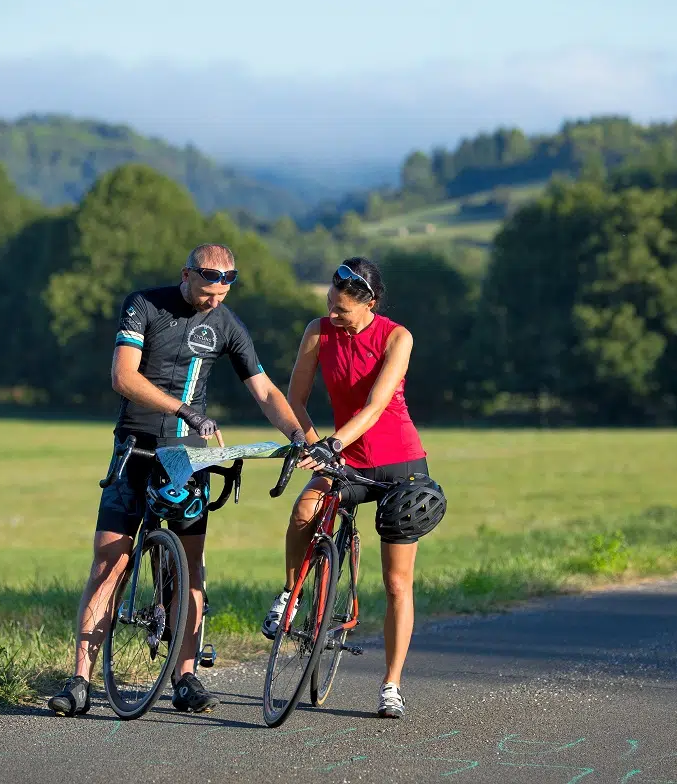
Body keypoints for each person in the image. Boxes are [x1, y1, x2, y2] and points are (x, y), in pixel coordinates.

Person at [49, 243, 306, 717]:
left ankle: (185, 676)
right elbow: (123, 377)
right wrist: (182, 409)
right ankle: (80, 680)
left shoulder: (227, 323)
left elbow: (265, 389)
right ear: (185, 274)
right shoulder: (144, 305)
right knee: (109, 560)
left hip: (186, 457)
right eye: (206, 292)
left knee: (190, 567)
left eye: (222, 294)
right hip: (136, 445)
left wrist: (298, 434)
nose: (214, 302)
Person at [262, 257, 439, 720]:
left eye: (342, 309)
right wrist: (318, 445)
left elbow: (378, 405)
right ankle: (292, 593)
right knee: (305, 511)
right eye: (329, 305)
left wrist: (335, 442)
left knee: (398, 582)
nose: (333, 315)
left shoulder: (397, 337)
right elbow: (295, 398)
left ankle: (391, 685)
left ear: (370, 305)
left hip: (401, 464)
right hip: (346, 457)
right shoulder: (317, 332)